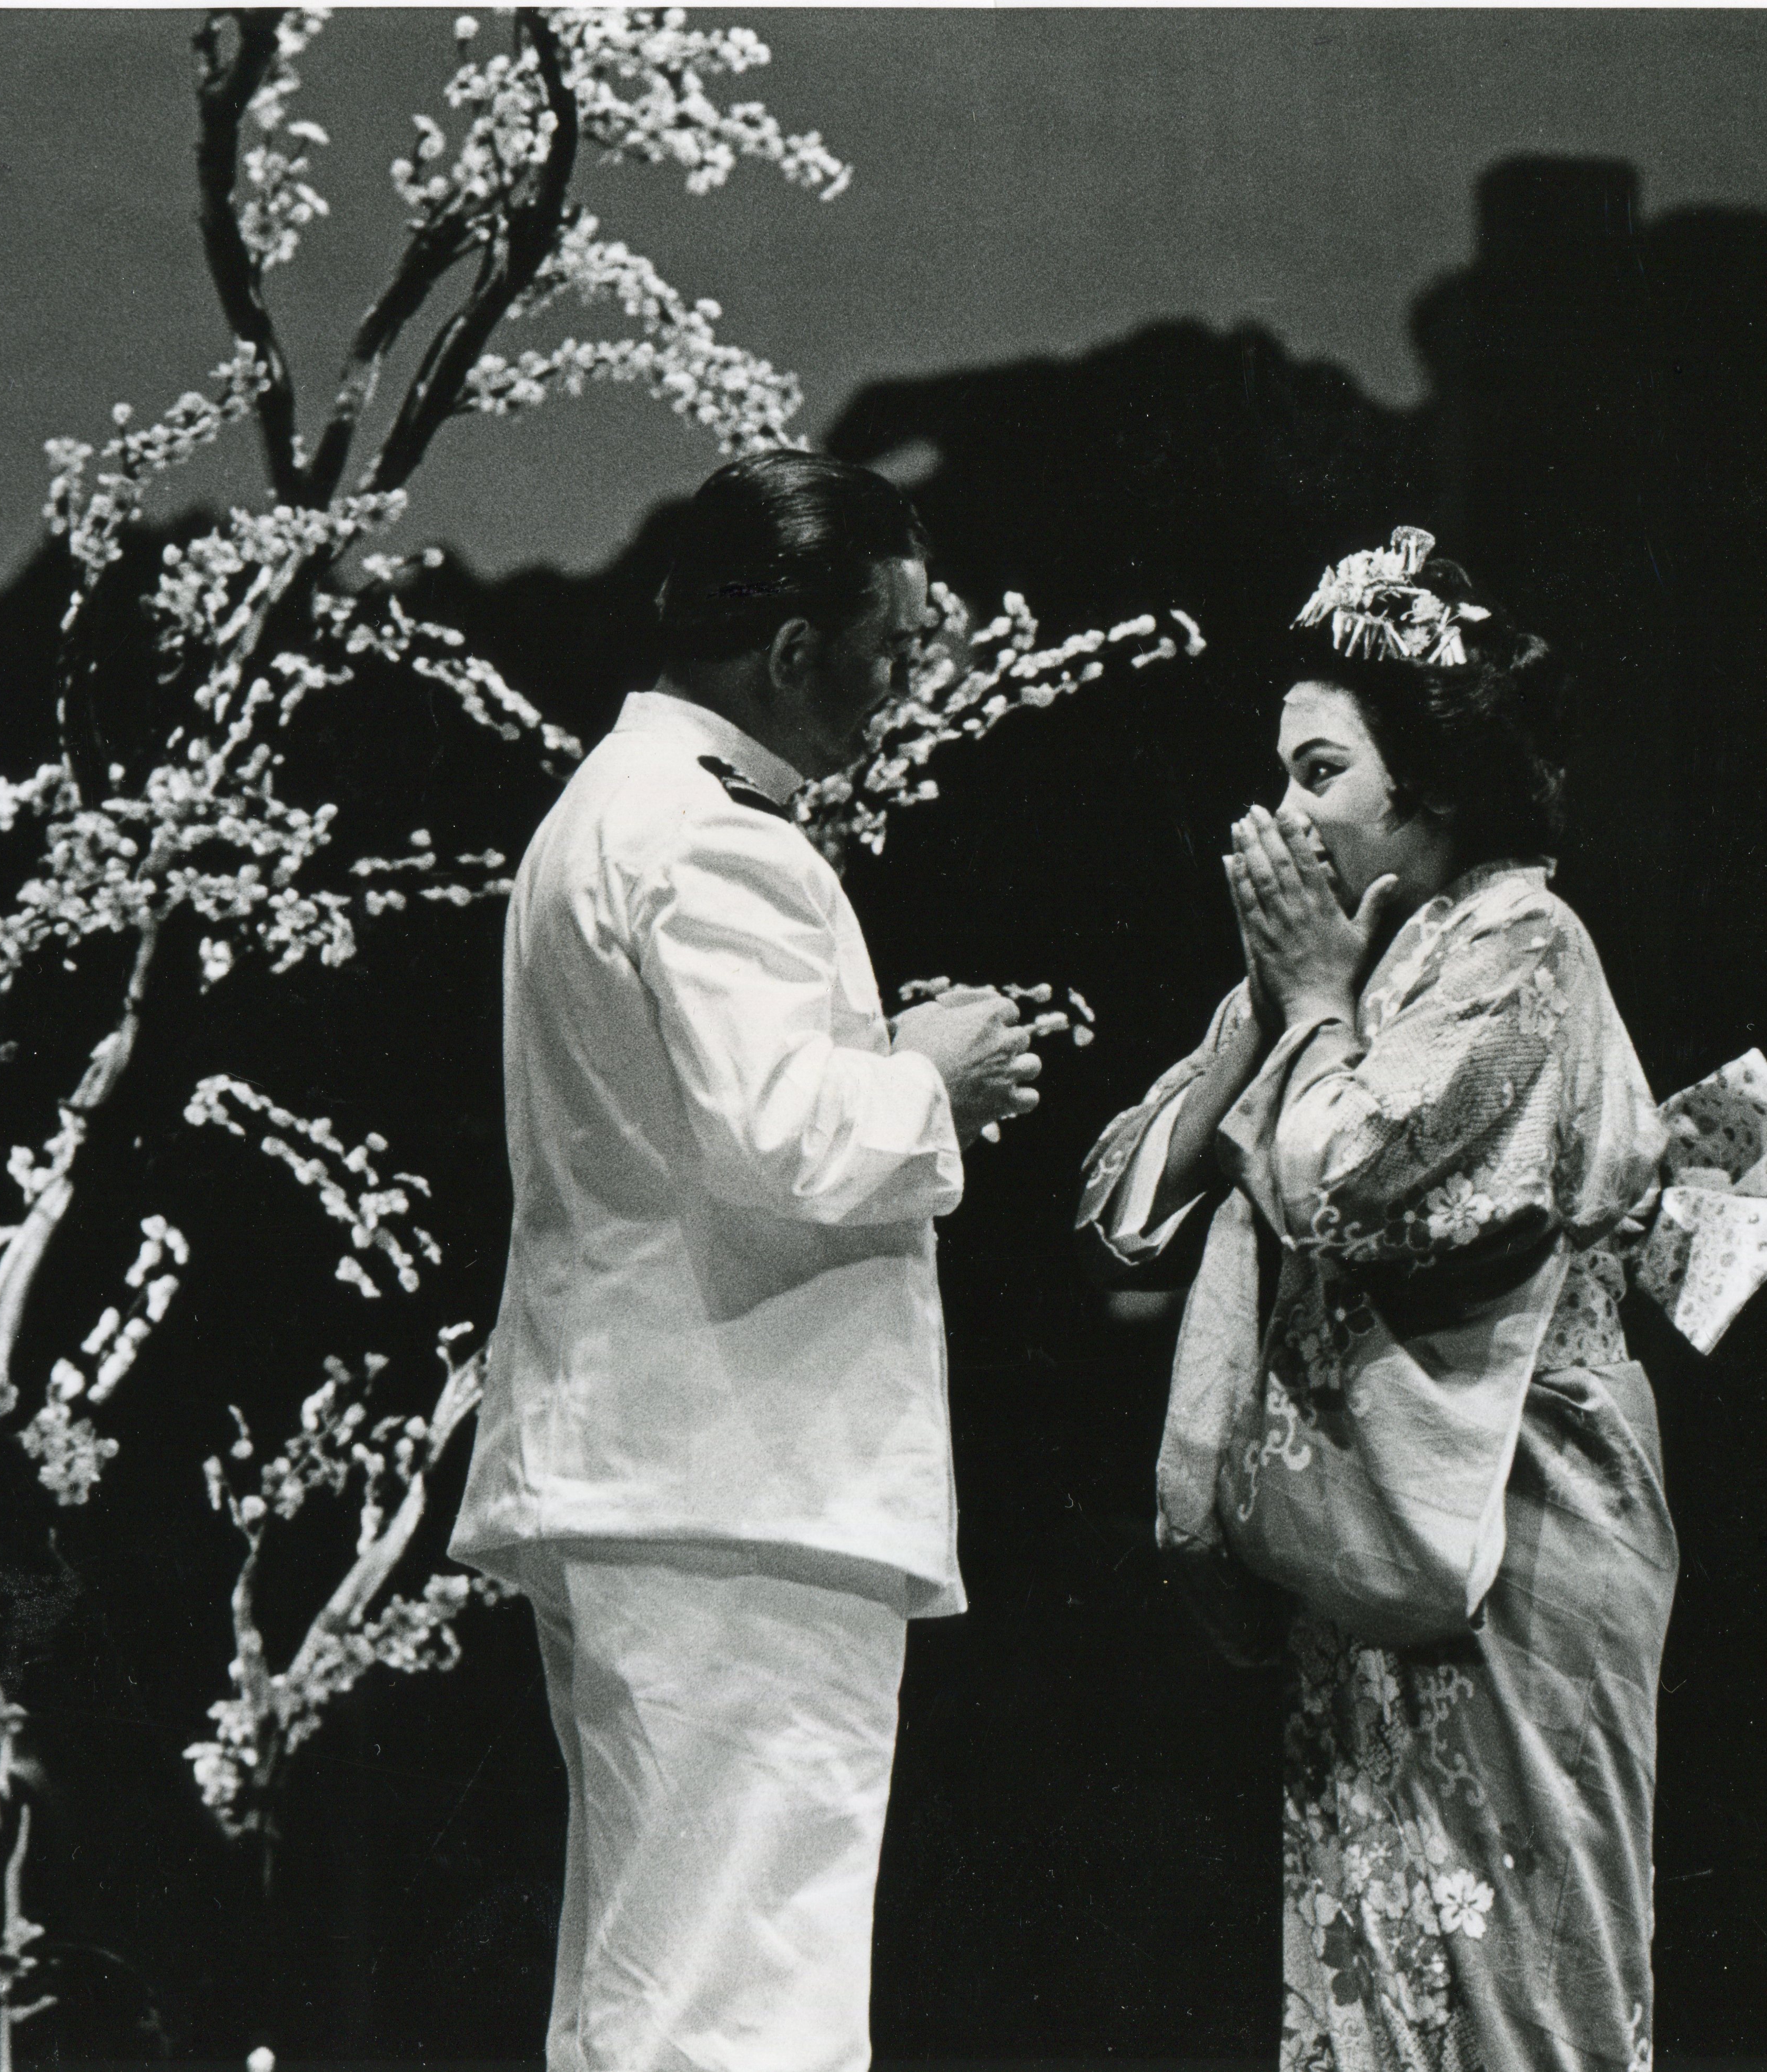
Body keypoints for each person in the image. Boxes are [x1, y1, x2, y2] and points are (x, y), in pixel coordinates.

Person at [1077, 530, 1767, 2072]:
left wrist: (1307, 1009)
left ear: (1429, 787)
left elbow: (1345, 1171)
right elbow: (1121, 1208)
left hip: (1526, 1518)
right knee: (1367, 1994)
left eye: (1321, 770)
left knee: (1515, 1991)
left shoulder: (1522, 943)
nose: (1284, 814)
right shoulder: (1338, 970)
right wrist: (1270, 1009)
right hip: (1381, 1540)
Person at [449, 451, 1043, 2072]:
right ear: (791, 652)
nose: (902, 687)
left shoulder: (607, 812)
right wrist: (939, 1076)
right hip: (741, 1479)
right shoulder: (714, 841)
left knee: (656, 1984)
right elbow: (787, 1138)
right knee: (745, 1992)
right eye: (892, 646)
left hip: (655, 1473)